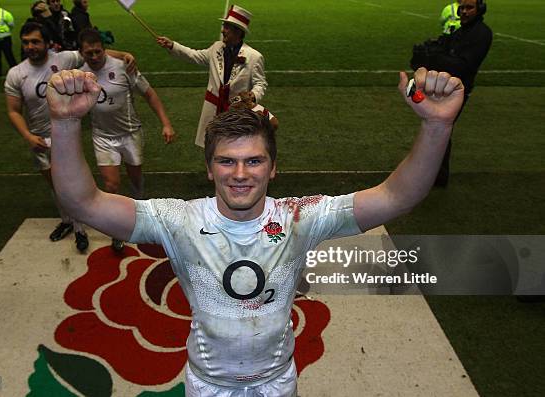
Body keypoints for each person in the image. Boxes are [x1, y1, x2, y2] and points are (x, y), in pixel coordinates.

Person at [45, 66, 464, 396]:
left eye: (254, 161)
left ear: (274, 167)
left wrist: (437, 127)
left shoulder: (301, 216)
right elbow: (85, 203)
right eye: (227, 161)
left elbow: (396, 197)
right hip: (208, 387)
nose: (240, 174)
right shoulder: (180, 220)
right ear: (209, 168)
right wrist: (64, 124)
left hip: (276, 384)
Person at [5, 22, 136, 252]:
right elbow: (13, 110)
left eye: (35, 41)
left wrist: (123, 54)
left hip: (65, 136)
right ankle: (73, 226)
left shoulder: (63, 59)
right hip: (39, 140)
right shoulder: (16, 74)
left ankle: (79, 229)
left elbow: (92, 52)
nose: (30, 46)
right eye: (25, 42)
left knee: (72, 187)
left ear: (47, 43)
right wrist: (27, 136)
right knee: (57, 188)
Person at [78, 28, 176, 252]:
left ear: (104, 50)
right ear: (81, 53)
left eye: (97, 52)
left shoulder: (123, 66)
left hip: (130, 133)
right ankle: (117, 229)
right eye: (88, 53)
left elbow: (149, 94)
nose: (93, 57)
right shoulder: (79, 73)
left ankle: (139, 210)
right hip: (102, 137)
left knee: (135, 177)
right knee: (111, 185)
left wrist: (166, 123)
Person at [156, 5, 267, 148]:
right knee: (212, 148)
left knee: (236, 148)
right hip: (213, 111)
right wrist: (172, 45)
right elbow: (194, 55)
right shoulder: (216, 48)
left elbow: (260, 84)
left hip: (237, 112)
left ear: (238, 31)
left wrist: (252, 96)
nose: (223, 30)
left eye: (227, 27)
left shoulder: (254, 57)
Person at [411, 0, 491, 186]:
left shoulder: (481, 34)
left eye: (469, 8)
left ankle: (436, 175)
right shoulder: (463, 30)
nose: (464, 12)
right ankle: (435, 173)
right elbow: (447, 49)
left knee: (440, 129)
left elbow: (464, 65)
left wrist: (433, 58)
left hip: (457, 90)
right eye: (462, 8)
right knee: (439, 129)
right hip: (444, 87)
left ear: (480, 9)